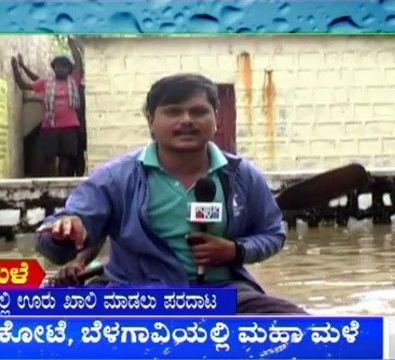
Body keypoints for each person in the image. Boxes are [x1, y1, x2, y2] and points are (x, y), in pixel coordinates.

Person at [35, 74, 308, 314]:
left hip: (223, 294)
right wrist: (63, 233)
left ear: (216, 118)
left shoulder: (242, 175)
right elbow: (56, 244)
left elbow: (273, 234)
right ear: (151, 121)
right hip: (133, 295)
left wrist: (235, 251)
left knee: (303, 332)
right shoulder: (116, 177)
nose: (187, 120)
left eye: (198, 111)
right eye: (173, 112)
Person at [11, 36, 84, 177]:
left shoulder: (74, 81)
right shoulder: (46, 83)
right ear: (53, 69)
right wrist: (17, 68)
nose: (60, 69)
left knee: (66, 157)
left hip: (69, 127)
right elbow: (23, 85)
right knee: (49, 157)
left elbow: (79, 62)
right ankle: (51, 182)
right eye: (57, 66)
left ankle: (61, 181)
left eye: (64, 66)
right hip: (50, 126)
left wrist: (72, 43)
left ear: (69, 70)